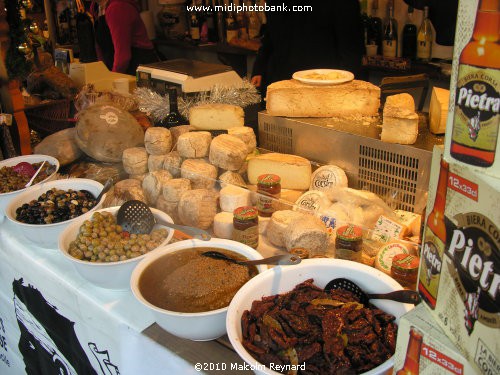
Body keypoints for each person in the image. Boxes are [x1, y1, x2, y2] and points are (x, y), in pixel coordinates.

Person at [251, 0, 366, 98]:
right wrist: (259, 68)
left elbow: (351, 48)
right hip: (281, 84)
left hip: (323, 87)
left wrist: (347, 91)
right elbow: (271, 35)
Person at [91, 0, 158, 75]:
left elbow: (123, 57)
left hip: (138, 68)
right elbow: (99, 46)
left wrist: (112, 79)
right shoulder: (96, 8)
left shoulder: (117, 7)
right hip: (119, 68)